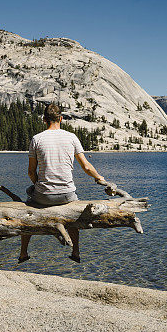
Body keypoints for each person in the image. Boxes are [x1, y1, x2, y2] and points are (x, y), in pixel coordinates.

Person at [19, 103, 106, 264]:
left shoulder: (36, 139)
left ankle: (23, 253)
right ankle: (76, 251)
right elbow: (86, 166)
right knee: (72, 213)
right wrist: (99, 178)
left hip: (43, 196)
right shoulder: (71, 137)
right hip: (67, 195)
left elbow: (31, 172)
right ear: (61, 118)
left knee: (28, 210)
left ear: (44, 120)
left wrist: (41, 185)